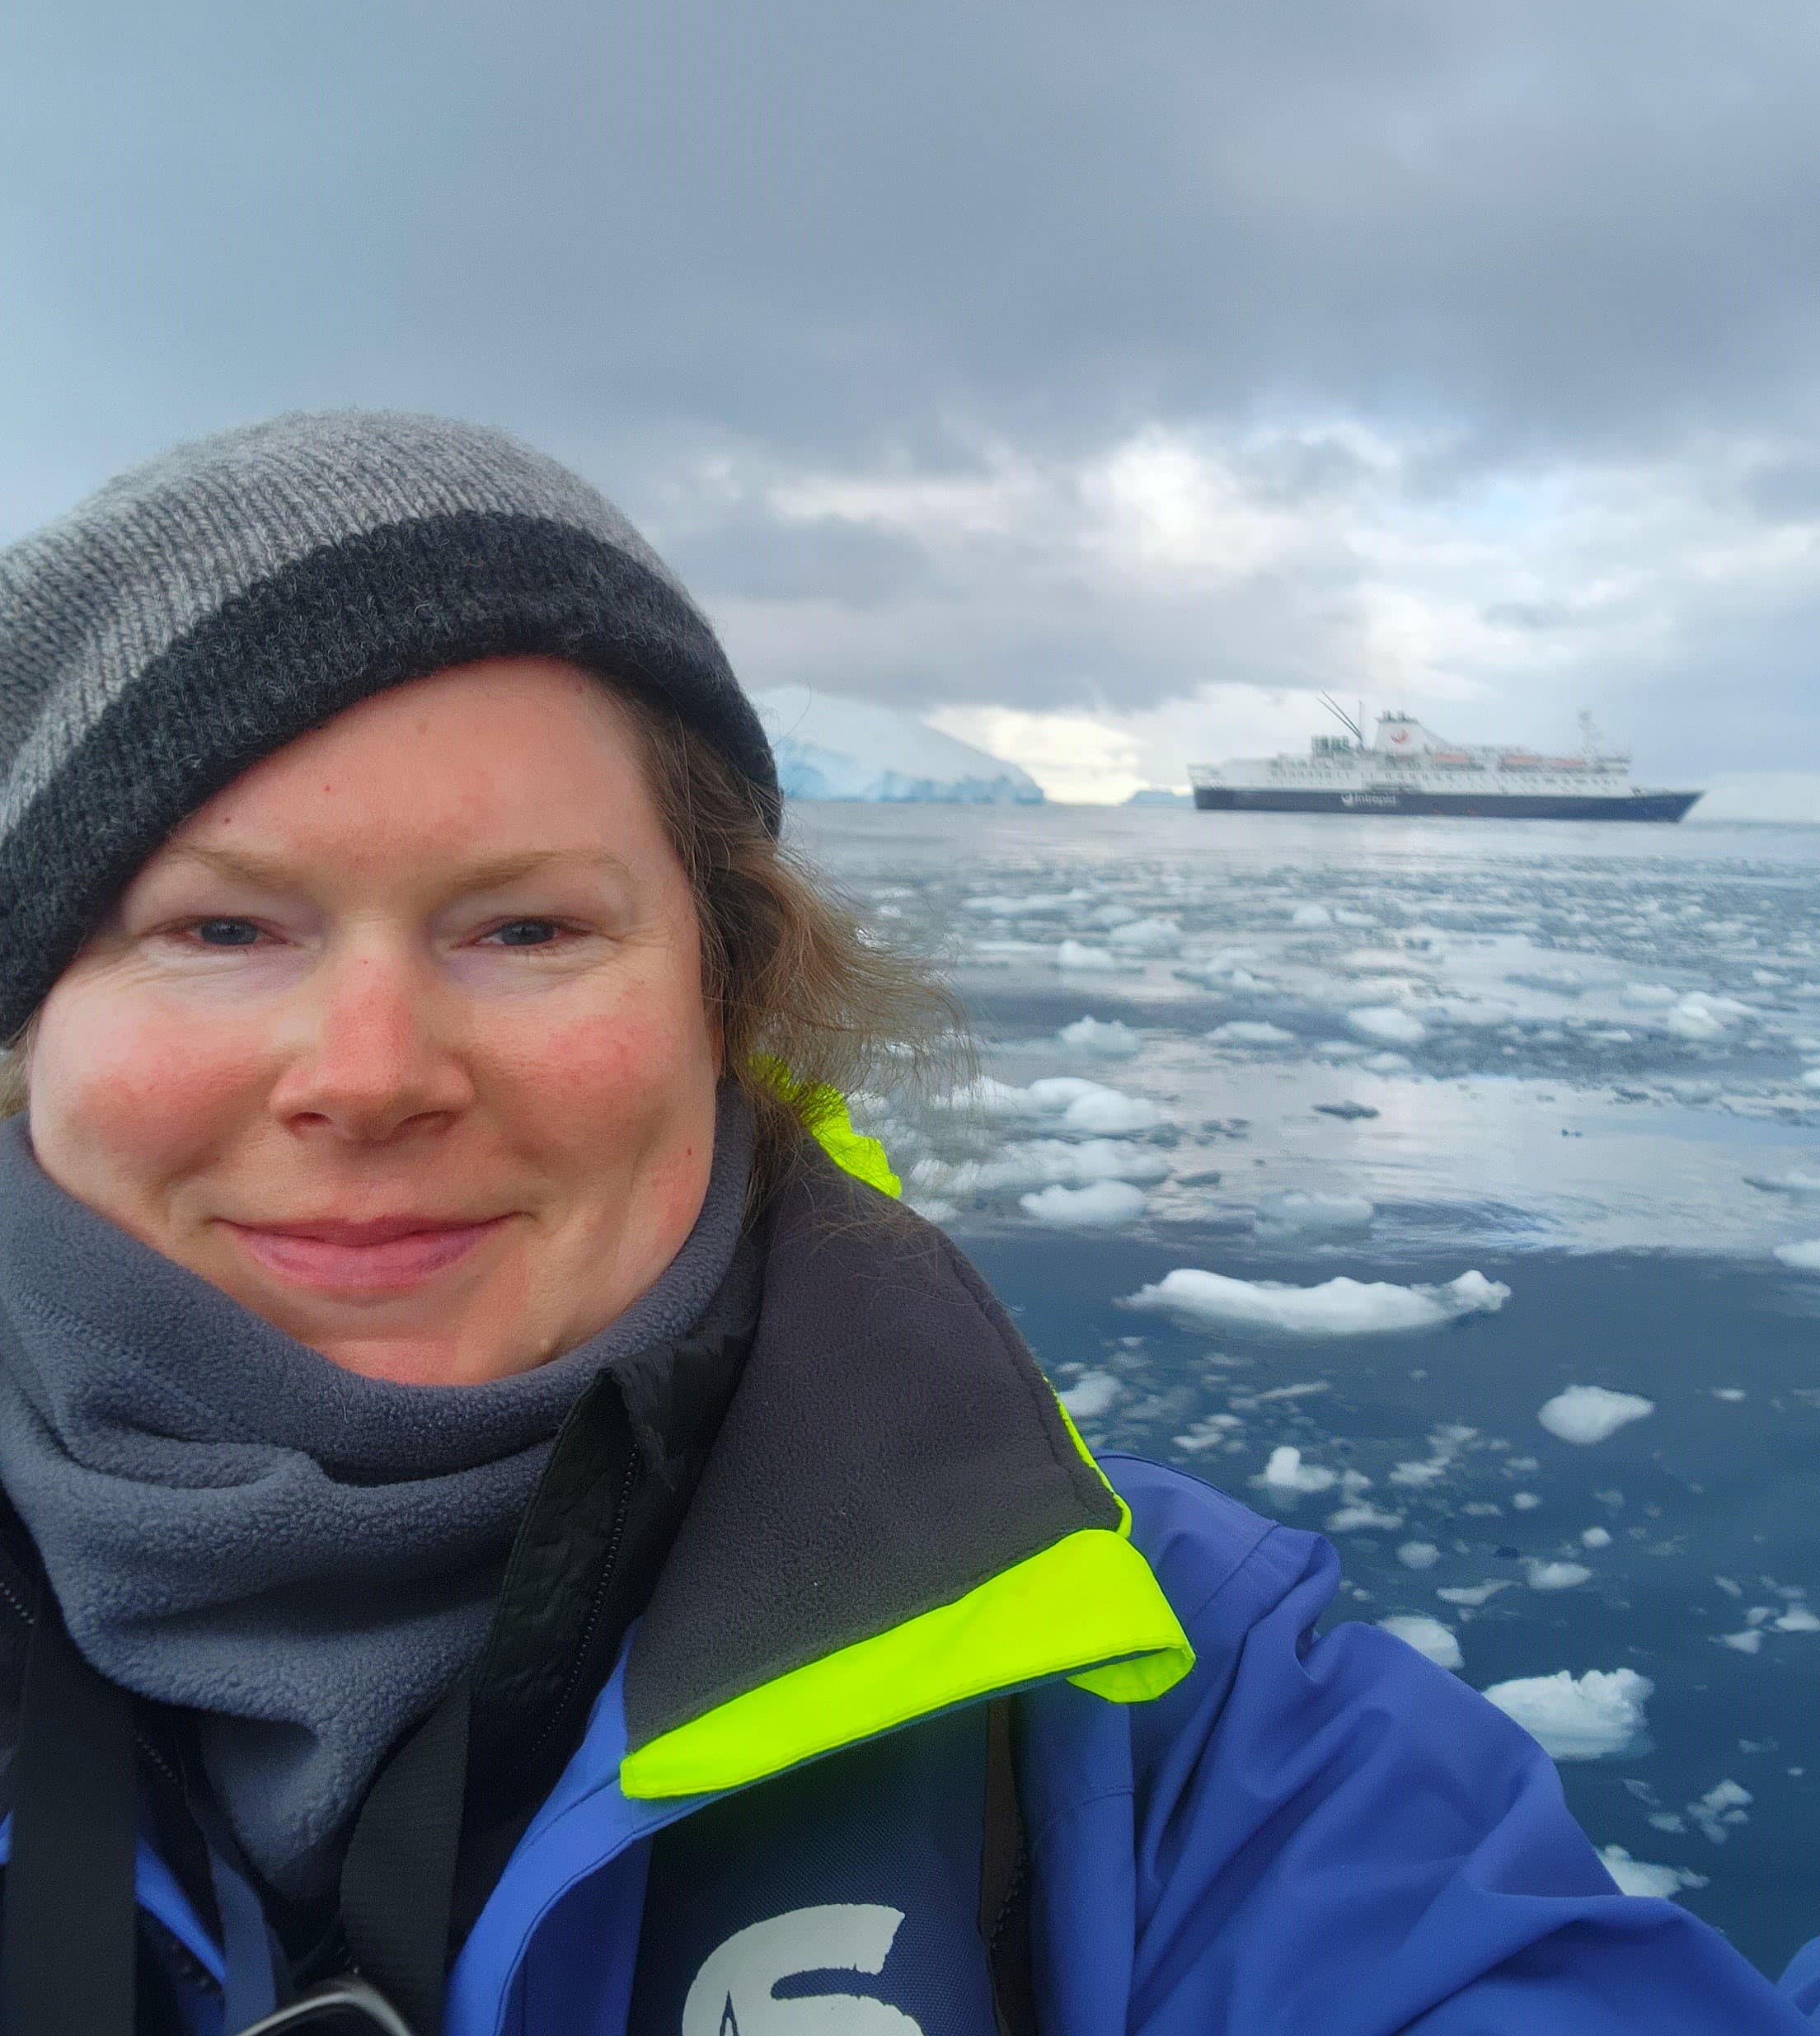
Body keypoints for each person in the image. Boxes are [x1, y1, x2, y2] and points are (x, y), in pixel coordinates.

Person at [0, 410, 1807, 2036]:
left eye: (529, 927)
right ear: (26, 1029)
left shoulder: (1158, 1715)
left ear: (732, 995)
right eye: (218, 929)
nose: (373, 1070)